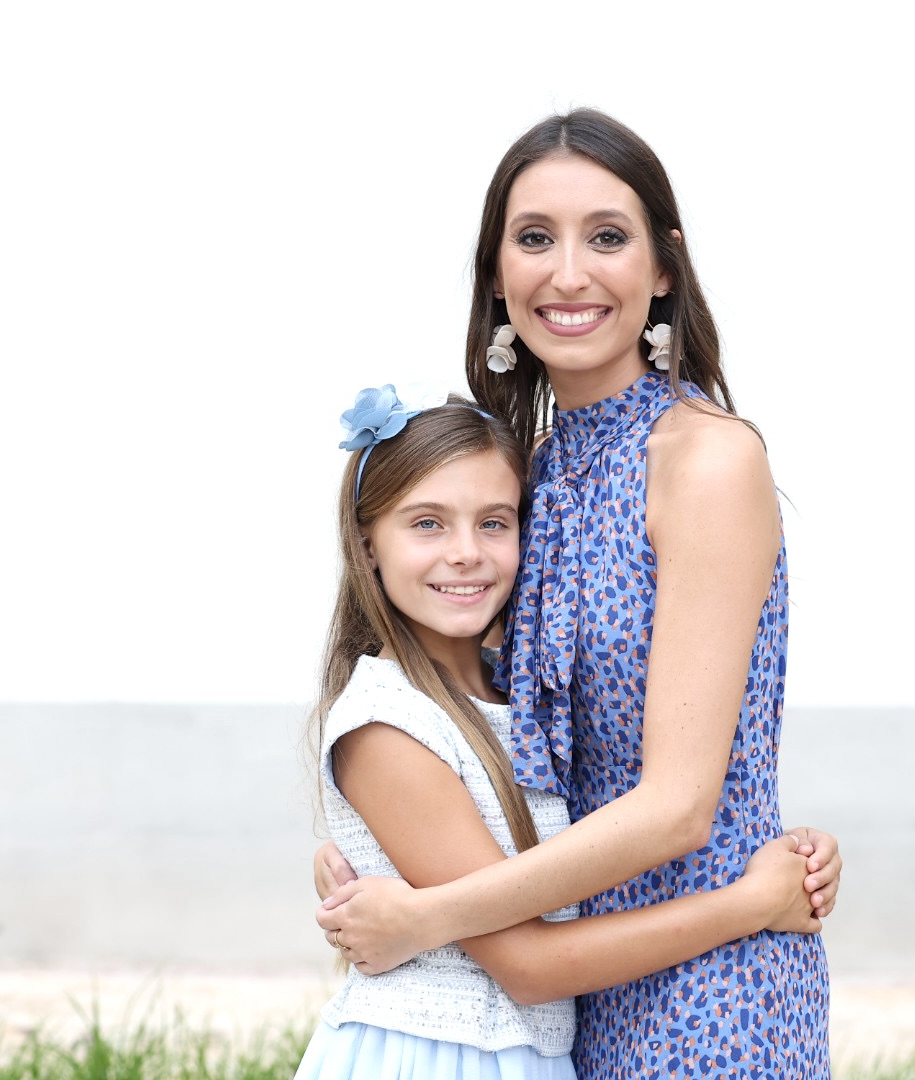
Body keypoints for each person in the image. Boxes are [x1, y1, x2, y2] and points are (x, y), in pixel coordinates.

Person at [316, 109, 836, 1078]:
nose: (567, 274)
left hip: (711, 982)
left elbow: (680, 807)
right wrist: (378, 852)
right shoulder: (531, 476)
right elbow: (473, 724)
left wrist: (426, 914)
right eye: (533, 238)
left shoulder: (707, 461)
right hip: (568, 986)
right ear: (496, 273)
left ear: (663, 266)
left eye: (605, 236)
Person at [297, 387, 823, 1079]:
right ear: (367, 545)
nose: (465, 553)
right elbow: (530, 966)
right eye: (427, 524)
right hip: (437, 1057)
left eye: (494, 522)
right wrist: (752, 903)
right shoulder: (390, 724)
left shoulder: (522, 698)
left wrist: (784, 845)